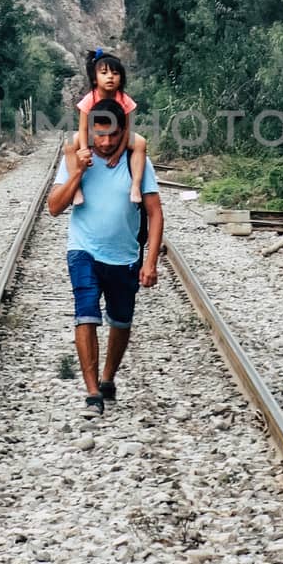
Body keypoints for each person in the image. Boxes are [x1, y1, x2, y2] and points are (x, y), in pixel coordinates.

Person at [47, 99, 164, 420]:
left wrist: (150, 261)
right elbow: (54, 208)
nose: (106, 142)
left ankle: (108, 377)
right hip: (83, 250)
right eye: (99, 135)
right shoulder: (76, 160)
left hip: (125, 256)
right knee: (85, 313)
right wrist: (77, 175)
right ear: (90, 132)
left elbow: (155, 213)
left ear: (123, 131)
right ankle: (92, 392)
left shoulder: (136, 161)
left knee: (121, 320)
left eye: (113, 135)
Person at [65, 48, 149, 206]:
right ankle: (75, 189)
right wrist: (84, 151)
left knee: (140, 143)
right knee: (69, 143)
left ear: (121, 78)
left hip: (118, 136)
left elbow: (126, 131)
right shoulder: (90, 99)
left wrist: (117, 154)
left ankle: (136, 186)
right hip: (92, 135)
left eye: (115, 73)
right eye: (104, 73)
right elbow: (83, 128)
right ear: (95, 79)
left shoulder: (125, 100)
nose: (110, 77)